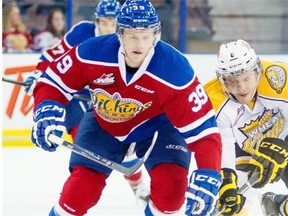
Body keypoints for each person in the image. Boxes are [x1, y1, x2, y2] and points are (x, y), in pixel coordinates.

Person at [30, 0, 222, 215]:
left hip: (158, 128)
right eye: (132, 36)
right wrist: (45, 107)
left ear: (156, 35)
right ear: (119, 34)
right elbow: (53, 81)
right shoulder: (91, 52)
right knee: (79, 193)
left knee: (171, 194)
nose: (139, 44)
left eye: (146, 36)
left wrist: (209, 171)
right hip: (104, 122)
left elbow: (204, 132)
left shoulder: (176, 70)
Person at [25, 0, 150, 203]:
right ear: (96, 21)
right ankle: (82, 182)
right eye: (105, 22)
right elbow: (53, 57)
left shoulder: (127, 42)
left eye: (113, 23)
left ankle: (137, 185)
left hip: (108, 97)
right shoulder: (81, 33)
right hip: (77, 94)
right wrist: (37, 75)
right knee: (84, 138)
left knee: (126, 144)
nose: (109, 28)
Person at [204, 39, 288, 215]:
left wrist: (284, 146)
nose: (241, 87)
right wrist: (227, 178)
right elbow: (223, 144)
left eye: (246, 78)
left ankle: (278, 206)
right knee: (231, 207)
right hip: (244, 154)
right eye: (232, 81)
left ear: (258, 72)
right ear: (222, 80)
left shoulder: (276, 78)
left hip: (283, 145)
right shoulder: (213, 101)